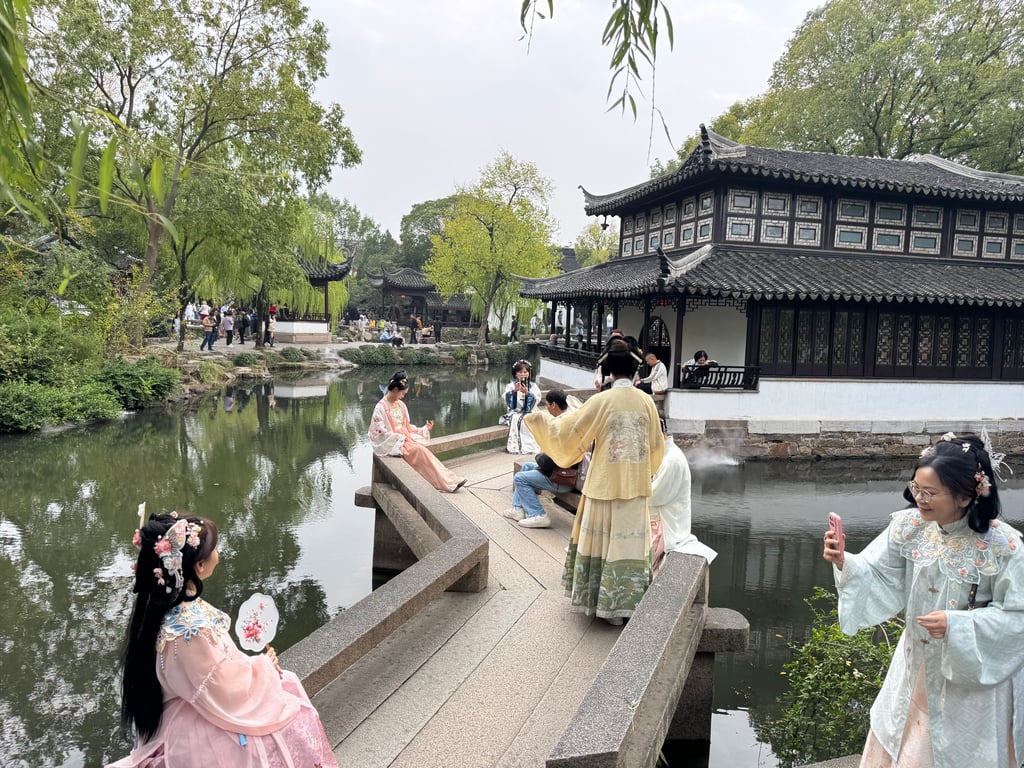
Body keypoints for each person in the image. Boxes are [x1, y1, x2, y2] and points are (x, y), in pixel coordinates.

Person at [823, 431, 1024, 768]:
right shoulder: (911, 526)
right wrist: (845, 561)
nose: (919, 499)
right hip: (915, 662)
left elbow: (1018, 618)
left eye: (930, 492)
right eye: (916, 488)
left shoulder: (1005, 546)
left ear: (966, 495)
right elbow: (877, 572)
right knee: (902, 740)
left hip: (972, 678)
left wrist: (958, 625)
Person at [107, 512, 337, 768]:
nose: (218, 553)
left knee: (285, 686)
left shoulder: (160, 611)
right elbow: (221, 687)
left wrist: (254, 666)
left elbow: (212, 673)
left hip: (182, 709)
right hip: (196, 721)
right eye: (214, 548)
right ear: (199, 566)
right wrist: (263, 668)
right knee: (293, 710)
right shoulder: (189, 628)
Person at [526, 338, 664, 625]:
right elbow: (656, 445)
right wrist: (644, 470)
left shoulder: (601, 401)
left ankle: (604, 604)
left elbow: (570, 430)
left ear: (609, 371)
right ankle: (629, 602)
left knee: (602, 543)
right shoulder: (646, 402)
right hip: (636, 484)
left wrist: (539, 420)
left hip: (605, 482)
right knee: (629, 544)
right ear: (635, 370)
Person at [368, 370, 466, 493]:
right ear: (395, 390)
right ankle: (446, 483)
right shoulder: (380, 407)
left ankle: (450, 480)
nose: (403, 396)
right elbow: (377, 434)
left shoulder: (401, 405)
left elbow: (407, 426)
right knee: (421, 451)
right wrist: (398, 438)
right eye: (402, 393)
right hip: (395, 443)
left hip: (406, 439)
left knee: (425, 454)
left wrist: (423, 429)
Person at [648, 436, 717, 574]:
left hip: (665, 526)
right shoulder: (665, 455)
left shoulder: (670, 460)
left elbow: (654, 498)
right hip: (663, 520)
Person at [503, 452, 573, 529]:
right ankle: (517, 509)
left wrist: (541, 454)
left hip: (563, 480)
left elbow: (546, 463)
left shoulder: (565, 446)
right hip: (565, 475)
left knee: (519, 478)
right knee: (527, 466)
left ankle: (538, 515)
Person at [502, 360, 541, 455]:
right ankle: (516, 446)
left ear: (529, 373)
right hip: (515, 411)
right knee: (516, 418)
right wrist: (514, 392)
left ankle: (530, 446)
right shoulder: (511, 386)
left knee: (530, 419)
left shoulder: (533, 386)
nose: (523, 374)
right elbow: (508, 401)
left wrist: (527, 394)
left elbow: (536, 399)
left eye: (525, 372)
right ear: (516, 374)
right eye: (520, 372)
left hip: (531, 411)